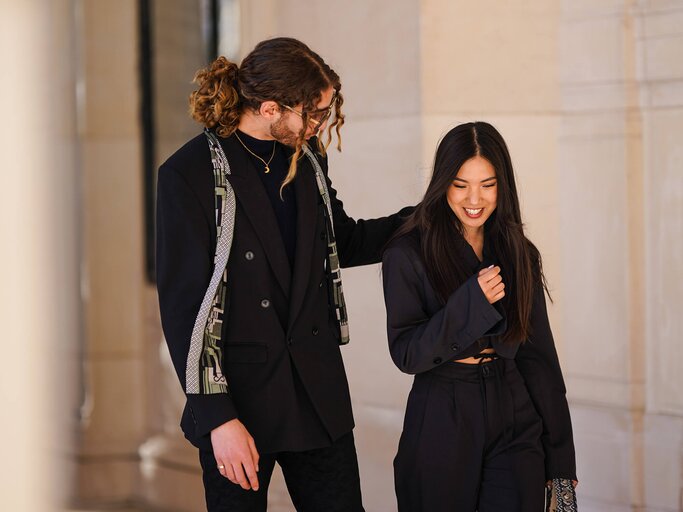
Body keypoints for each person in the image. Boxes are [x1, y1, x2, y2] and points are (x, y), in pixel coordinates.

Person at [156, 37, 411, 512]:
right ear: (270, 107)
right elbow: (182, 311)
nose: (318, 125)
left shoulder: (308, 157)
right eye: (312, 114)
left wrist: (427, 217)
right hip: (240, 406)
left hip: (316, 393)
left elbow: (342, 241)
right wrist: (217, 420)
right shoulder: (187, 174)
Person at [382, 122, 577, 511]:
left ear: (502, 185)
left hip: (513, 409)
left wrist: (561, 461)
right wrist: (470, 302)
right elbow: (407, 354)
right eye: (461, 184)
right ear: (442, 183)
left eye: (488, 184)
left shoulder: (520, 252)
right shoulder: (406, 253)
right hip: (442, 410)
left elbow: (540, 361)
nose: (475, 198)